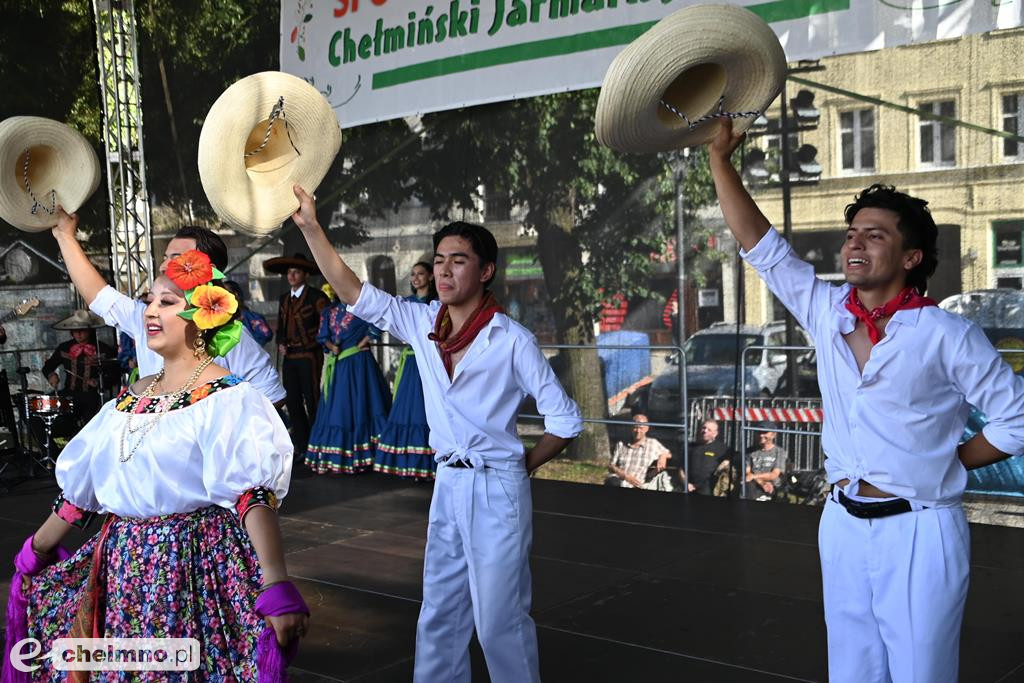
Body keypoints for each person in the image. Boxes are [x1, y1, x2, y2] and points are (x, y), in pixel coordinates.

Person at [709, 118, 1024, 683]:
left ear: (911, 258)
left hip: (921, 532)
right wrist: (720, 161)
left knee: (920, 676)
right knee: (851, 673)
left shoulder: (946, 334)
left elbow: (1018, 418)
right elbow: (764, 250)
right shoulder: (829, 312)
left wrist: (949, 461)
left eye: (875, 234)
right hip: (843, 524)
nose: (855, 241)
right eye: (852, 232)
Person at [291, 185, 582, 683]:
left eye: (458, 261)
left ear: (485, 271)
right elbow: (352, 292)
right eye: (439, 260)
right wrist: (311, 228)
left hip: (496, 486)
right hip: (446, 482)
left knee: (499, 620)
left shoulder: (512, 340)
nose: (444, 271)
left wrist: (520, 465)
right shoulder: (423, 321)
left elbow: (566, 421)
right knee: (441, 611)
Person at [1, 249, 308, 681]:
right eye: (149, 300)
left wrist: (276, 581)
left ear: (203, 315)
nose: (150, 310)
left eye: (167, 302)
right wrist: (36, 549)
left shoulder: (229, 396)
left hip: (192, 566)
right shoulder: (131, 396)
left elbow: (252, 497)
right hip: (122, 568)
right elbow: (83, 493)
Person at [49, 210, 286, 404]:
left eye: (177, 257)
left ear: (206, 269)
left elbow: (272, 396)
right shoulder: (146, 318)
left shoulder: (230, 337)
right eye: (165, 257)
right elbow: (99, 296)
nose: (164, 266)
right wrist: (64, 237)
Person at [305, 283, 391, 474]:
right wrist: (330, 345)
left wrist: (364, 341)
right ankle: (339, 456)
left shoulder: (363, 309)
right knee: (339, 408)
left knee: (363, 405)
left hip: (359, 362)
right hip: (339, 363)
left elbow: (379, 323)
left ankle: (365, 455)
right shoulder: (329, 311)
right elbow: (322, 335)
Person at [374, 261, 438, 479]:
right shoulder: (407, 303)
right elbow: (382, 321)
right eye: (412, 274)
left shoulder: (439, 303)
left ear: (431, 276)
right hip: (411, 361)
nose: (415, 278)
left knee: (428, 407)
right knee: (408, 407)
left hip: (431, 360)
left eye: (420, 274)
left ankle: (431, 462)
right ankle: (409, 464)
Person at [267, 253, 330, 457]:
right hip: (290, 356)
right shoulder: (284, 298)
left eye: (296, 272)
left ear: (305, 275)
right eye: (289, 272)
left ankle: (318, 445)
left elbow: (326, 325)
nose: (292, 276)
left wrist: (315, 342)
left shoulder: (317, 297)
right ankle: (301, 447)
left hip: (310, 355)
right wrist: (281, 343)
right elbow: (281, 326)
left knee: (312, 399)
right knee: (292, 401)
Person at [41, 310, 118, 424]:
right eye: (75, 331)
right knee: (42, 409)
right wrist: (51, 375)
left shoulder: (102, 349)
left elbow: (115, 374)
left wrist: (99, 382)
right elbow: (48, 366)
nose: (78, 334)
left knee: (91, 423)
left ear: (89, 330)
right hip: (69, 395)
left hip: (93, 396)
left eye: (82, 330)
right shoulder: (64, 347)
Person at [604, 414, 672, 489]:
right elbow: (611, 466)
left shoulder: (652, 444)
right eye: (635, 427)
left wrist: (663, 456)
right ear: (631, 427)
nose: (638, 431)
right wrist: (625, 476)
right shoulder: (621, 444)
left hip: (636, 485)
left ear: (647, 428)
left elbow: (668, 453)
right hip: (617, 480)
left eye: (641, 428)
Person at [685, 418, 733, 495]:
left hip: (711, 489)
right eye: (704, 428)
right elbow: (681, 468)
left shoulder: (722, 449)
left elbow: (732, 464)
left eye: (709, 430)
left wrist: (726, 463)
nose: (705, 431)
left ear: (715, 434)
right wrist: (685, 483)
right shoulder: (690, 447)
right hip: (689, 488)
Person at [223, 279, 274, 346]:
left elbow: (266, 335)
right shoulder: (222, 319)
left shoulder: (251, 317)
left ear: (236, 294)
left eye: (226, 294)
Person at [744, 421, 787, 501]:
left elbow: (774, 474)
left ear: (773, 434)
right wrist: (761, 483)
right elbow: (748, 472)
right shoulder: (750, 451)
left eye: (765, 432)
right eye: (759, 432)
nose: (761, 435)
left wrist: (754, 476)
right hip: (754, 485)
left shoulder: (779, 452)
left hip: (773, 486)